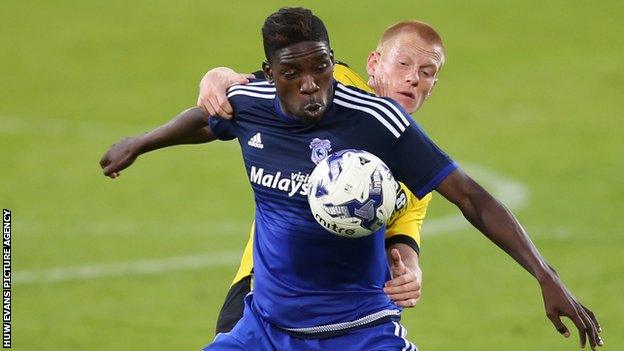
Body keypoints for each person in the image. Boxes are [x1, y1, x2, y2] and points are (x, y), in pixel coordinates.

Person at [100, 7, 602, 350]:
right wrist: (142, 142)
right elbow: (211, 115)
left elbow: (467, 199)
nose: (312, 84)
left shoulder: (383, 122)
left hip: (356, 327)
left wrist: (545, 275)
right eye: (405, 65)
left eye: (428, 72)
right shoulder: (257, 102)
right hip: (266, 319)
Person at [198, 20, 443, 335]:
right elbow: (256, 91)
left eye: (426, 72)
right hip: (264, 294)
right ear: (374, 63)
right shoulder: (332, 82)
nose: (412, 78)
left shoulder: (417, 166)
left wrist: (410, 272)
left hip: (346, 315)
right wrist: (217, 75)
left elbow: (403, 240)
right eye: (403, 64)